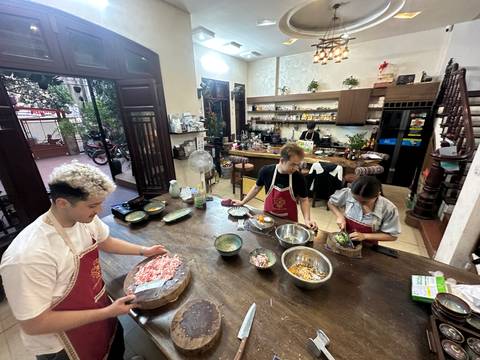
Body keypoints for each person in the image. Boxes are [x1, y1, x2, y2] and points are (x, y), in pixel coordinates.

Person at [0, 162, 167, 360]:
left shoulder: (84, 219)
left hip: (98, 310)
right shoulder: (27, 256)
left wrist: (144, 251)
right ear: (62, 203)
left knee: (115, 347)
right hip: (62, 344)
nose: (100, 210)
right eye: (92, 205)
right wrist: (107, 312)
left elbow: (106, 242)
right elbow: (34, 324)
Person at [233, 143, 317, 229]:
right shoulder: (266, 171)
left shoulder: (299, 177)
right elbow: (256, 188)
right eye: (293, 164)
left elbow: (304, 200)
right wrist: (243, 202)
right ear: (282, 161)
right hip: (268, 216)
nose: (296, 168)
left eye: (297, 165)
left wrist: (307, 219)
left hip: (289, 220)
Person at [327, 176, 400, 243]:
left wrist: (365, 236)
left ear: (377, 195)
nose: (358, 203)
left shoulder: (389, 209)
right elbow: (331, 203)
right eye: (355, 199)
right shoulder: (348, 193)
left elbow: (392, 236)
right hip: (347, 240)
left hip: (369, 245)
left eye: (364, 201)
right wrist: (340, 216)